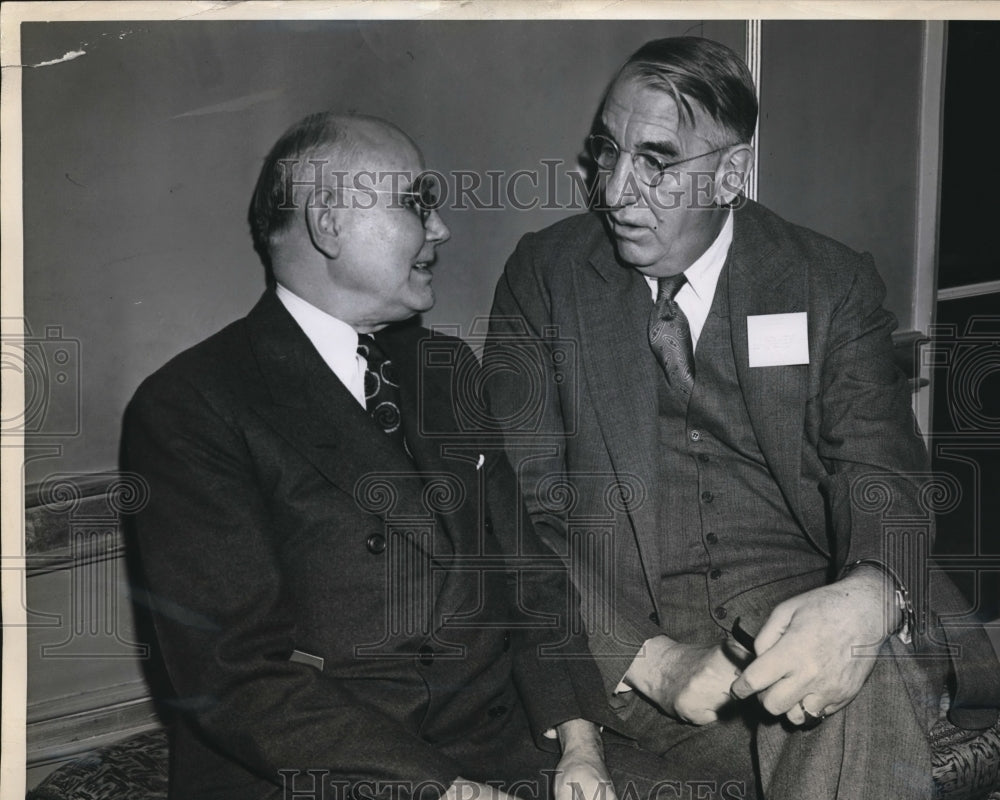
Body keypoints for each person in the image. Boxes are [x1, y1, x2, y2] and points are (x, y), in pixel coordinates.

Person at [485, 37, 1000, 800]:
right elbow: (524, 514)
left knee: (845, 672)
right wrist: (653, 661)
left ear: (731, 173)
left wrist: (868, 590)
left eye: (655, 161)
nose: (616, 191)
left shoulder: (827, 280)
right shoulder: (548, 276)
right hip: (637, 657)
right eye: (606, 153)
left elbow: (881, 470)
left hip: (819, 614)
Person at [123, 112, 622, 800]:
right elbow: (235, 676)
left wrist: (579, 743)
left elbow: (528, 578)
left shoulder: (445, 368)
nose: (440, 229)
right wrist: (444, 789)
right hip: (330, 776)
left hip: (499, 749)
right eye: (417, 203)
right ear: (328, 223)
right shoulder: (193, 404)